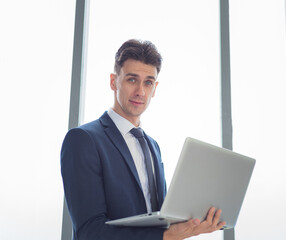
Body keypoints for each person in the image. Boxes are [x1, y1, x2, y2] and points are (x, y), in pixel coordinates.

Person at [61, 39, 226, 240]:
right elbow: (89, 232)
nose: (140, 91)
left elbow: (159, 221)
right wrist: (165, 237)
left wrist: (194, 222)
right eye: (132, 79)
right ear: (114, 82)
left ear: (154, 88)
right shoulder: (83, 140)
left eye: (148, 82)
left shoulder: (152, 146)